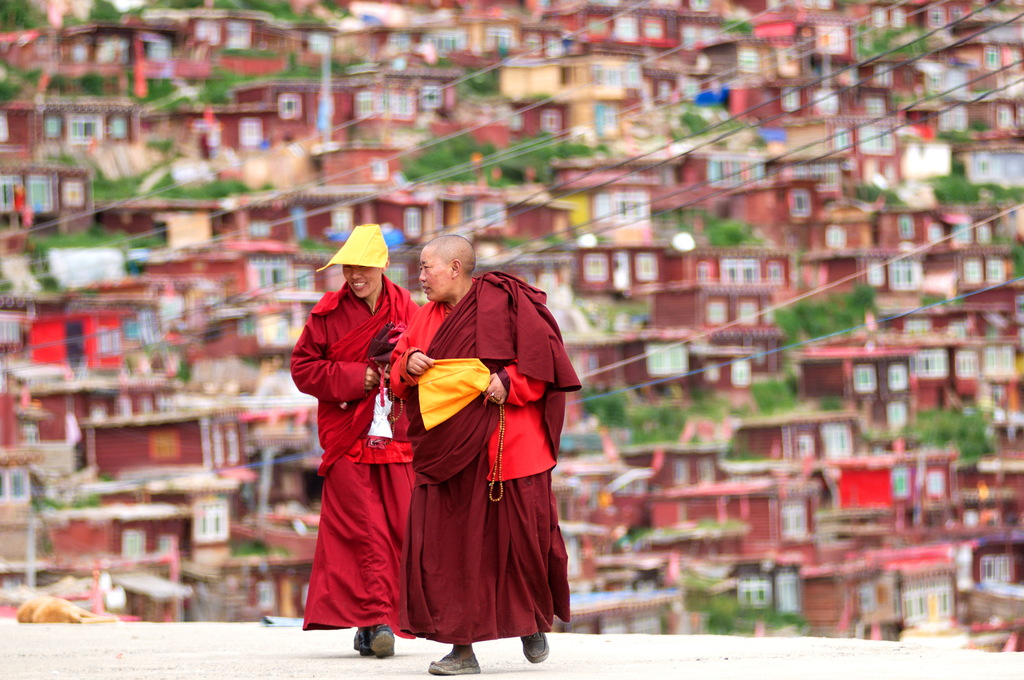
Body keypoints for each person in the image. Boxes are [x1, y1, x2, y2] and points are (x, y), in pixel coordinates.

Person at [390, 234, 581, 675]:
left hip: (508, 450)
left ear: (455, 268)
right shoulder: (425, 318)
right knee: (452, 552)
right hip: (449, 456)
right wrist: (408, 364)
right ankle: (461, 651)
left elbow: (544, 365)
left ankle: (530, 621)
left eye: (426, 268)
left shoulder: (507, 305)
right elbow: (398, 370)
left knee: (521, 547)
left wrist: (510, 383)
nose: (419, 278)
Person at [291, 224, 420, 659]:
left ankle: (376, 622)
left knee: (400, 526)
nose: (354, 276)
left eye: (362, 267)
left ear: (383, 264)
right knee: (361, 529)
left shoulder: (408, 307)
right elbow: (303, 369)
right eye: (348, 267)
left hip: (397, 434)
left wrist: (398, 371)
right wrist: (354, 377)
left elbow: (428, 365)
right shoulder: (326, 314)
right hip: (348, 434)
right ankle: (377, 620)